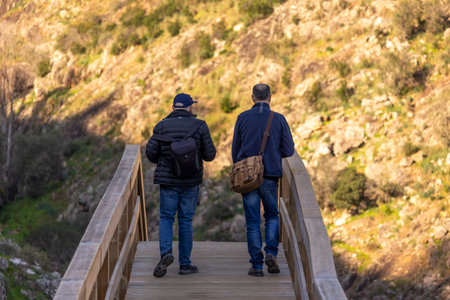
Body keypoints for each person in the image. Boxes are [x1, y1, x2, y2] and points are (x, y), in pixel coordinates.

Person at [146, 93, 216, 277]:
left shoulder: (161, 126)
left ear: (173, 108)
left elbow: (151, 154)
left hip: (168, 181)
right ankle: (185, 264)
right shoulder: (200, 126)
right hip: (190, 181)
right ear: (190, 107)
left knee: (167, 218)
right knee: (185, 220)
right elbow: (210, 155)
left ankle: (166, 253)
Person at [231, 83, 295, 277]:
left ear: (252, 97)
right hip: (269, 176)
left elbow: (235, 151)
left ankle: (257, 265)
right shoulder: (278, 119)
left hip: (248, 177)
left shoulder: (242, 118)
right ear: (270, 97)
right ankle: (271, 253)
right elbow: (289, 150)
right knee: (272, 216)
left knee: (252, 221)